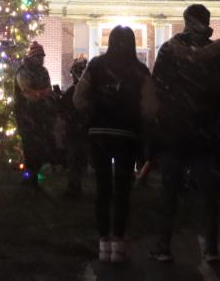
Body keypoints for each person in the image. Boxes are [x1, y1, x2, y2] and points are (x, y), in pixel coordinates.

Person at [148, 4, 220, 263]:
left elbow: (157, 87)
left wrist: (162, 119)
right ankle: (212, 248)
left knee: (169, 191)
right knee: (209, 193)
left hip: (175, 131)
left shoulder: (169, 50)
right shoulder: (218, 54)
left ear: (186, 21)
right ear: (206, 22)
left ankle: (164, 246)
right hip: (205, 132)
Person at [73, 27, 156, 264]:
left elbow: (79, 97)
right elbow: (150, 106)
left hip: (99, 132)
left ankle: (103, 243)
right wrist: (139, 119)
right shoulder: (140, 70)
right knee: (122, 189)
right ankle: (118, 242)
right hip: (126, 134)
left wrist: (93, 111)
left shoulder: (96, 65)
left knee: (102, 188)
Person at [14, 41, 55, 188]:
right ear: (32, 57)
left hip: (41, 116)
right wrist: (43, 93)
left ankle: (34, 178)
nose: (41, 59)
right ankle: (29, 179)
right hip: (27, 116)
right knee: (29, 148)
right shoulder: (23, 72)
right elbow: (28, 93)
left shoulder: (43, 72)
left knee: (39, 147)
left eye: (42, 56)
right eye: (39, 56)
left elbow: (48, 89)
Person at [60, 56, 89, 199]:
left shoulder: (75, 92)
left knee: (75, 160)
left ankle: (74, 187)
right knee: (76, 160)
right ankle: (75, 186)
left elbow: (64, 110)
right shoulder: (79, 92)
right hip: (79, 131)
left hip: (78, 131)